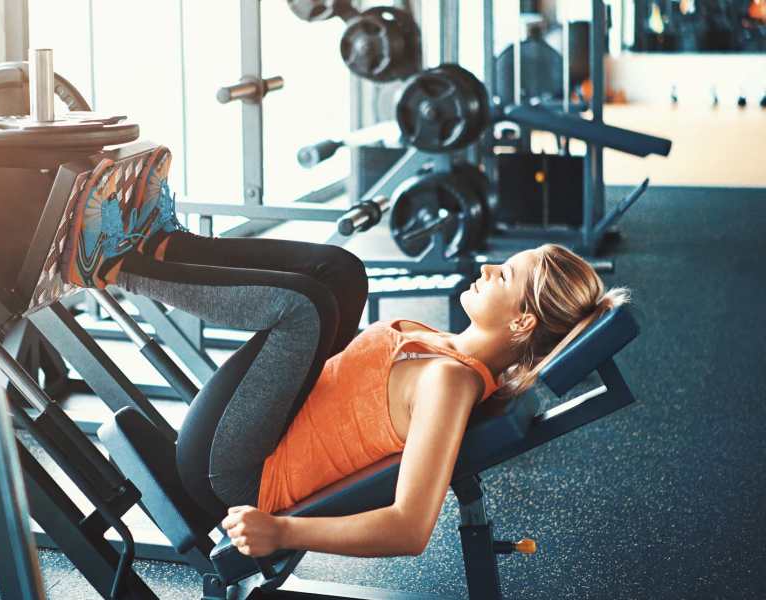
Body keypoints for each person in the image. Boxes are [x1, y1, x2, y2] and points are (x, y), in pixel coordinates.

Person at [63, 151, 628, 559]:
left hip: (238, 473)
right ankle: (164, 245)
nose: (486, 267)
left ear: (523, 321)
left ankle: (114, 268)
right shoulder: (444, 347)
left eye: (503, 275)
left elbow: (409, 528)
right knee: (341, 272)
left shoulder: (451, 383)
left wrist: (281, 532)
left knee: (304, 310)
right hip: (272, 431)